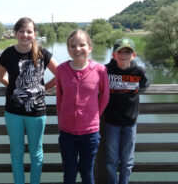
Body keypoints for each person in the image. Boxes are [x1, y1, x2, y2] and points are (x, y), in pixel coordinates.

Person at [0, 17, 57, 184]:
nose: (25, 34)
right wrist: (16, 87)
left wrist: (45, 88)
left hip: (37, 112)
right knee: (17, 154)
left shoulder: (42, 53)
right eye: (21, 31)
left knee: (36, 153)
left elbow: (60, 73)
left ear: (34, 34)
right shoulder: (8, 53)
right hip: (13, 112)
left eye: (29, 31)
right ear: (15, 33)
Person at [56, 29, 110, 184]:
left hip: (90, 133)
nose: (77, 49)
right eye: (73, 46)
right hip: (67, 132)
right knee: (69, 174)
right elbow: (60, 98)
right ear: (68, 49)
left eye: (82, 45)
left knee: (87, 174)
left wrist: (93, 115)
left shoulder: (100, 70)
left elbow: (105, 96)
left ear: (90, 48)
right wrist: (62, 121)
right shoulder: (61, 70)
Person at [103, 37, 150, 184]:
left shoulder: (138, 72)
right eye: (120, 52)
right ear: (113, 55)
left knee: (127, 161)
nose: (123, 55)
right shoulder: (105, 70)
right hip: (111, 123)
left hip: (130, 124)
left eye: (127, 52)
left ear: (134, 55)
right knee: (111, 160)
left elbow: (145, 83)